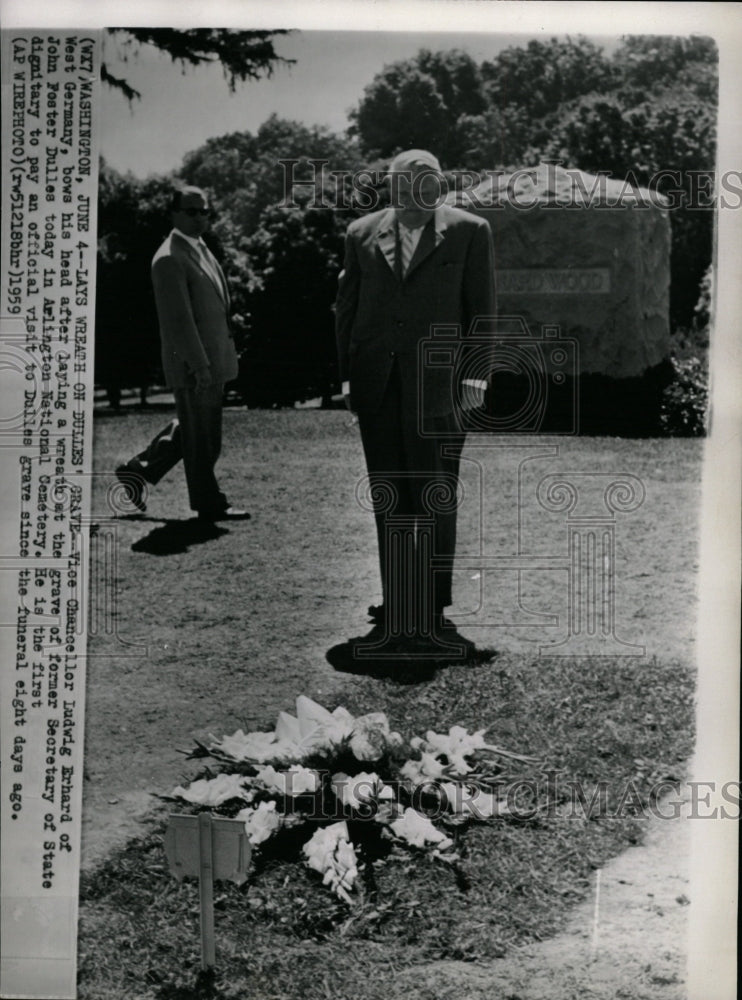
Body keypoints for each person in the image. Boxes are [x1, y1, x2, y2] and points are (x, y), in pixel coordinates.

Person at [335, 149, 496, 655]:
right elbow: (348, 308)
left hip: (442, 384)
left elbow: (483, 308)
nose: (420, 195)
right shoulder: (360, 234)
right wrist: (347, 377)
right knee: (390, 493)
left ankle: (430, 606)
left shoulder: (471, 231)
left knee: (433, 492)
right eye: (410, 186)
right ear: (393, 187)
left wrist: (477, 375)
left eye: (430, 185)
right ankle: (399, 602)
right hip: (377, 382)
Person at [115, 186, 248, 521]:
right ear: (173, 214)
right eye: (192, 211)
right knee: (203, 437)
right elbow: (179, 322)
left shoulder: (200, 248)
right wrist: (200, 367)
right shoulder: (169, 257)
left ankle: (137, 470)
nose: (201, 217)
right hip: (194, 363)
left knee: (195, 427)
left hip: (213, 357)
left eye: (205, 211)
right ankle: (209, 503)